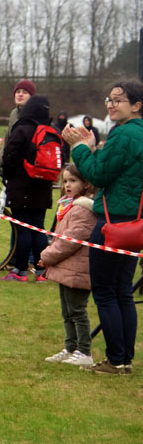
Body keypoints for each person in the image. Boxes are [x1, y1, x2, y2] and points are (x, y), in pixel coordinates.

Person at [62, 79, 143, 375]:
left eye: (118, 100)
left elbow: (99, 175)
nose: (110, 104)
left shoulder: (124, 135)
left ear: (136, 105)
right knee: (122, 291)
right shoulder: (138, 133)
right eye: (109, 99)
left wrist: (79, 149)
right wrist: (95, 148)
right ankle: (124, 359)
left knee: (106, 292)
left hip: (113, 222)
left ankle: (116, 359)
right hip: (135, 221)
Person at [39, 164, 97, 366]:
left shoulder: (83, 209)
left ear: (86, 183)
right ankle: (70, 347)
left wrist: (46, 256)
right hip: (67, 268)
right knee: (67, 312)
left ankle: (84, 352)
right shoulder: (69, 205)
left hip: (78, 269)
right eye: (65, 181)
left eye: (73, 181)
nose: (68, 185)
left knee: (78, 311)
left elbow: (69, 241)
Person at [0, 95, 53, 282]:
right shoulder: (50, 131)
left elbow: (9, 156)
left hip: (21, 186)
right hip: (43, 187)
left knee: (22, 229)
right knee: (39, 228)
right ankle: (41, 271)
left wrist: (6, 174)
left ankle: (20, 270)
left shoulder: (22, 129)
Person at [0, 79, 36, 169]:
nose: (20, 94)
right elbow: (8, 143)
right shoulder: (13, 114)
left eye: (25, 92)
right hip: (13, 167)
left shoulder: (37, 115)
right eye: (18, 92)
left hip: (31, 167)